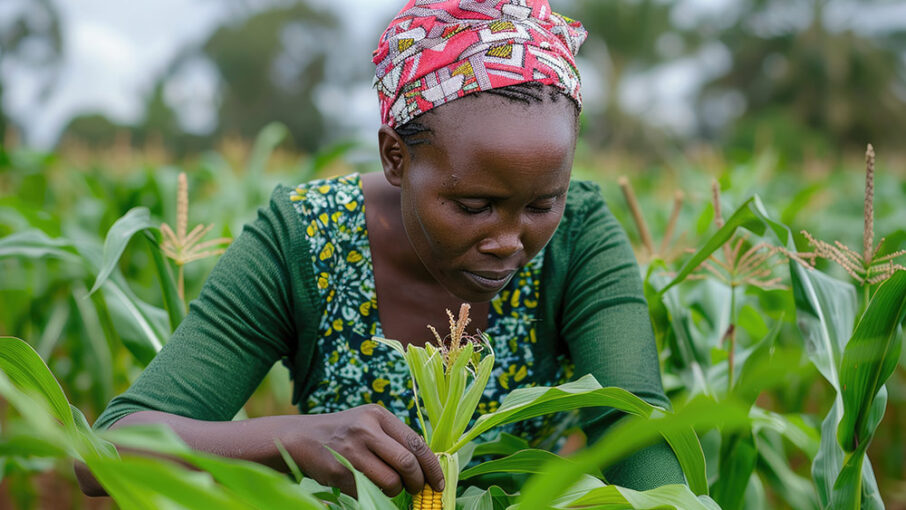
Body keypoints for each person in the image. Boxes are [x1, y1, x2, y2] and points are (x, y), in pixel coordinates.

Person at [78, 0, 685, 498]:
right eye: (473, 206)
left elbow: (636, 428)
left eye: (539, 205)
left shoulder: (580, 237)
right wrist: (292, 440)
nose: (509, 241)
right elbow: (104, 451)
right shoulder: (304, 240)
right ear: (396, 157)